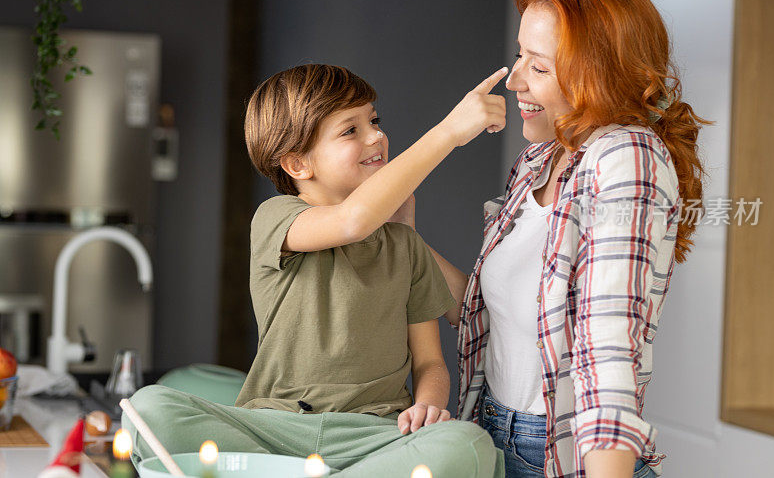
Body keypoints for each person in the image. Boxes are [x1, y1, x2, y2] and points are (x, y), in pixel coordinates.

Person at [122, 63, 512, 477]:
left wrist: (429, 405)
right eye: (351, 130)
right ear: (297, 165)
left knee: (467, 445)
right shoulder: (276, 218)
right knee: (149, 408)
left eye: (374, 120)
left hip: (373, 437)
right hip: (274, 430)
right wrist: (448, 132)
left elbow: (432, 360)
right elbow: (351, 221)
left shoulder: (405, 246)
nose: (376, 135)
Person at [418, 0, 712, 478]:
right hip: (492, 433)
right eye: (519, 56)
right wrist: (400, 237)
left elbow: (607, 347)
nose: (513, 80)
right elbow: (492, 313)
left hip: (560, 453)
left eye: (540, 67)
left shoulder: (627, 159)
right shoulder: (541, 159)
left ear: (598, 73)